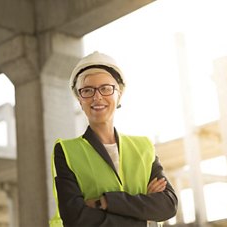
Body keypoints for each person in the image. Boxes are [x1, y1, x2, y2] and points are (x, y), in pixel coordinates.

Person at [50, 51, 178, 227]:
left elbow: (167, 205)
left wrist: (104, 202)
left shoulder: (143, 147)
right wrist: (144, 216)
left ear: (119, 95)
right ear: (80, 100)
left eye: (105, 88)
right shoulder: (66, 151)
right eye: (87, 90)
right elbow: (76, 218)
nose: (97, 96)